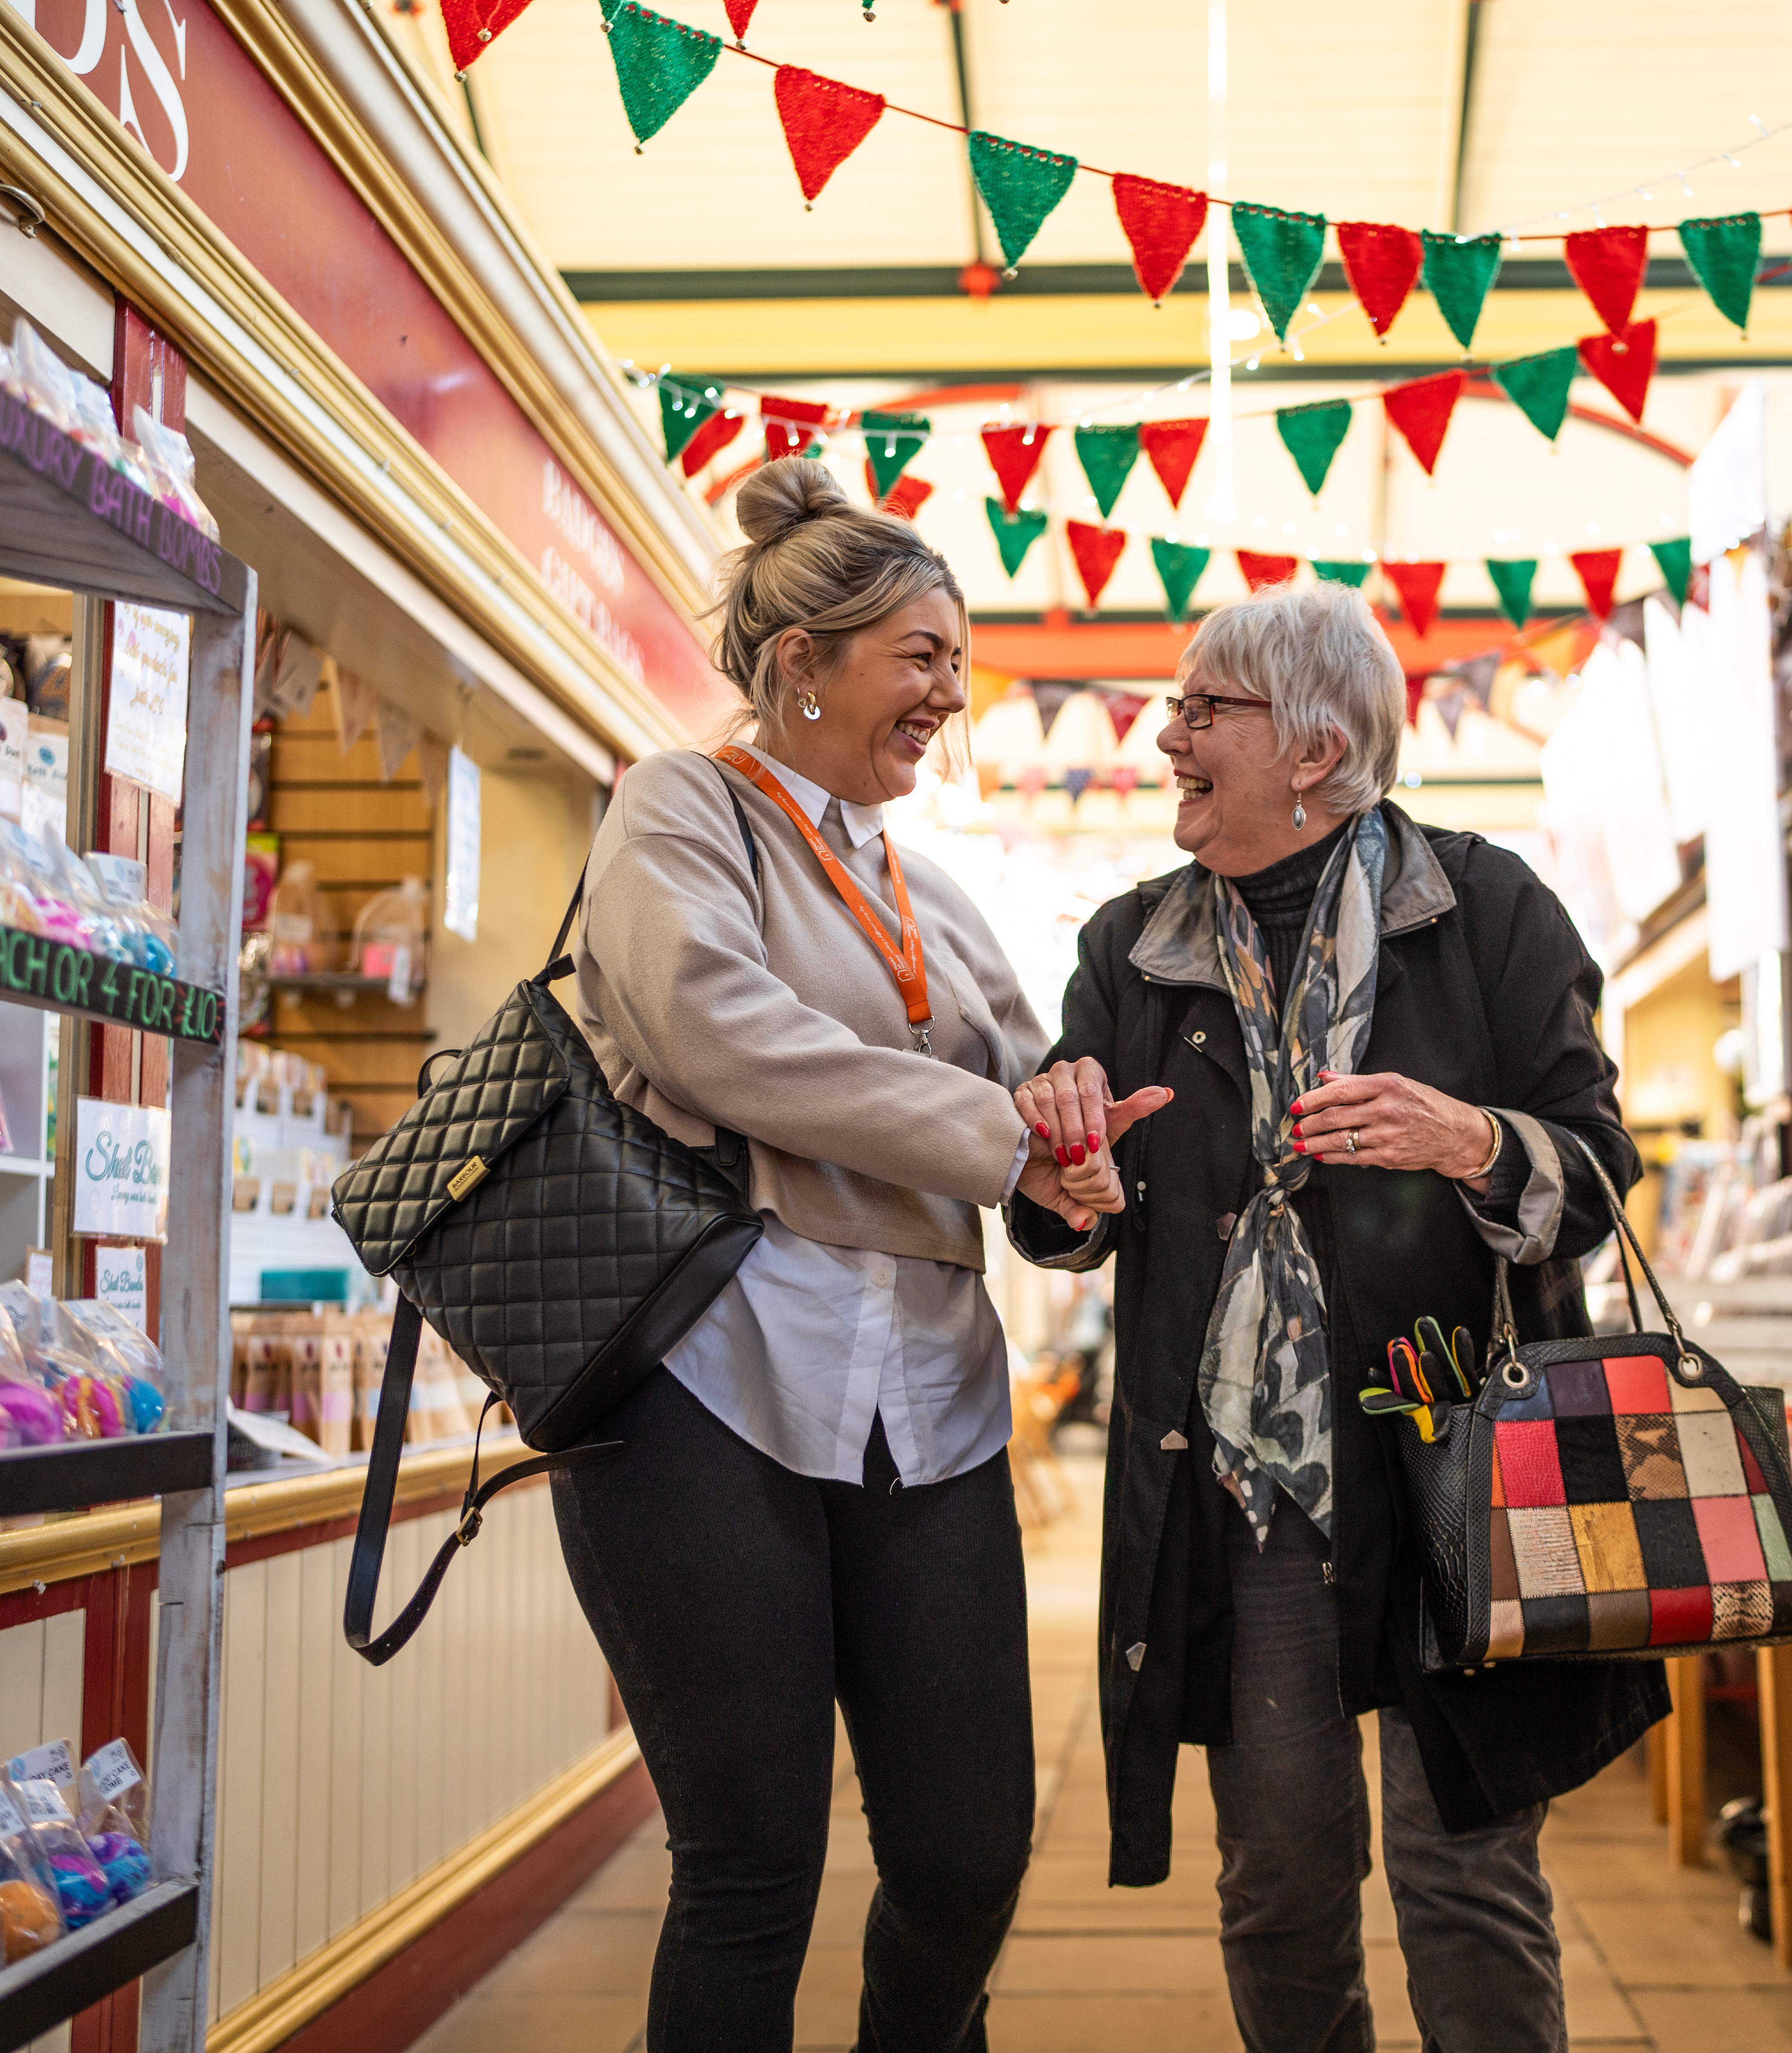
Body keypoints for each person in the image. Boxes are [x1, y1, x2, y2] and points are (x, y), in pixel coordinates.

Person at [1006, 581, 1660, 2052]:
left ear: (1312, 749)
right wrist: (1068, 1172)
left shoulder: (1486, 909)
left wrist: (1472, 1141)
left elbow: (1598, 1171)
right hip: (1249, 1488)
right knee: (1282, 1880)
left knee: (1466, 1870)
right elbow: (1052, 1212)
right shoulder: (1130, 949)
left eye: (1203, 710)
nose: (1167, 737)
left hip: (1463, 1473)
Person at [559, 456, 1159, 2051]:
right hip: (706, 1386)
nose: (951, 694)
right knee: (751, 1866)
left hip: (933, 1407)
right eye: (921, 657)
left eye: (960, 663)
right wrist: (998, 1139)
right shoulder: (678, 809)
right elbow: (714, 1035)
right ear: (798, 668)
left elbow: (1035, 1106)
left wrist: (1075, 1168)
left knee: (968, 1856)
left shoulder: (940, 896)